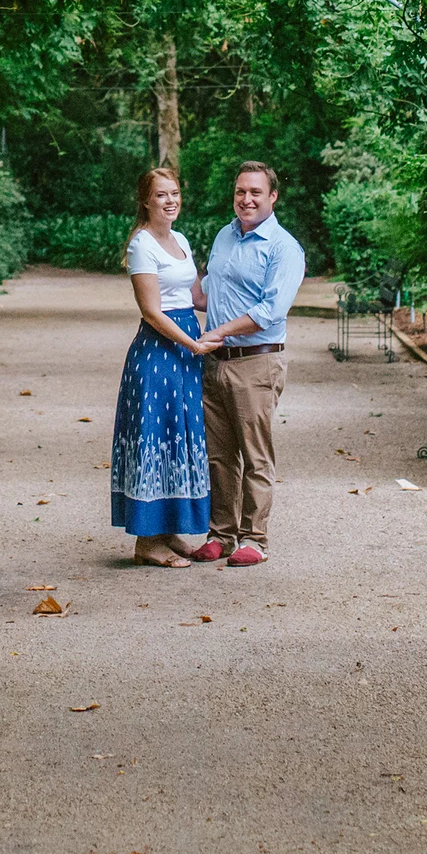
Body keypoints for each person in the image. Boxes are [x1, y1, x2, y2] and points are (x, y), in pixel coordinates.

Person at [190, 161, 304, 569]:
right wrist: (162, 265)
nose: (246, 199)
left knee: (255, 456)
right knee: (219, 456)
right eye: (241, 191)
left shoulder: (283, 248)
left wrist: (218, 332)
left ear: (272, 197)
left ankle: (254, 539)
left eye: (256, 192)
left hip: (257, 362)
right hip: (215, 362)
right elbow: (203, 294)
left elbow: (271, 311)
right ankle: (221, 534)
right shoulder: (225, 235)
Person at [108, 166, 213, 567]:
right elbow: (152, 311)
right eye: (161, 195)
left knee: (179, 435)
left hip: (186, 349)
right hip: (158, 352)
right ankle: (147, 543)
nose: (170, 201)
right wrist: (194, 343)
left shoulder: (181, 240)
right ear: (146, 201)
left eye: (175, 193)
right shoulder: (142, 245)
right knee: (155, 435)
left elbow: (196, 297)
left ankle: (169, 531)